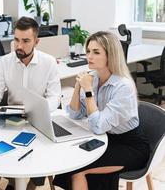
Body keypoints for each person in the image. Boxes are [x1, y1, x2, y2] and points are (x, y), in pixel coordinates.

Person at [53, 31, 150, 190]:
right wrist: (78, 87)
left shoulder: (123, 87)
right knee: (70, 161)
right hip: (106, 138)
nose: (89, 56)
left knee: (78, 170)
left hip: (130, 146)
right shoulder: (94, 78)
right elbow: (75, 114)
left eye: (96, 52)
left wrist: (88, 90)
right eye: (88, 51)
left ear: (110, 55)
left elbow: (98, 126)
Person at [0, 17, 61, 190]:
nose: (19, 46)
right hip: (12, 120)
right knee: (5, 153)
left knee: (43, 154)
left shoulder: (48, 62)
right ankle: (13, 182)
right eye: (16, 40)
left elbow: (55, 97)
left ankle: (32, 186)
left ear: (36, 41)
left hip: (38, 120)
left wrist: (40, 110)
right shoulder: (5, 61)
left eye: (25, 41)